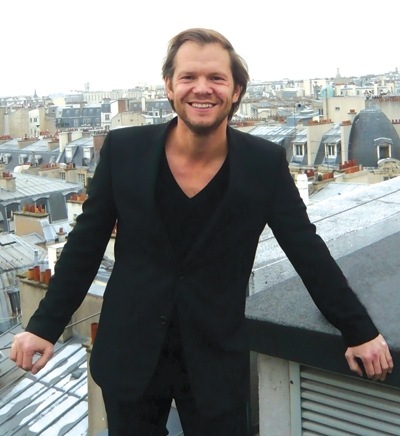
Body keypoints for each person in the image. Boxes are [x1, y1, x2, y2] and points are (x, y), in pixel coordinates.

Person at [10, 28, 393, 436]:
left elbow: (306, 249)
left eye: (216, 78)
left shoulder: (263, 164)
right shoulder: (124, 151)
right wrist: (44, 326)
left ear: (237, 90)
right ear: (169, 87)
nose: (202, 88)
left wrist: (359, 330)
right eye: (189, 77)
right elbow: (85, 245)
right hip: (130, 355)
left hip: (214, 361)